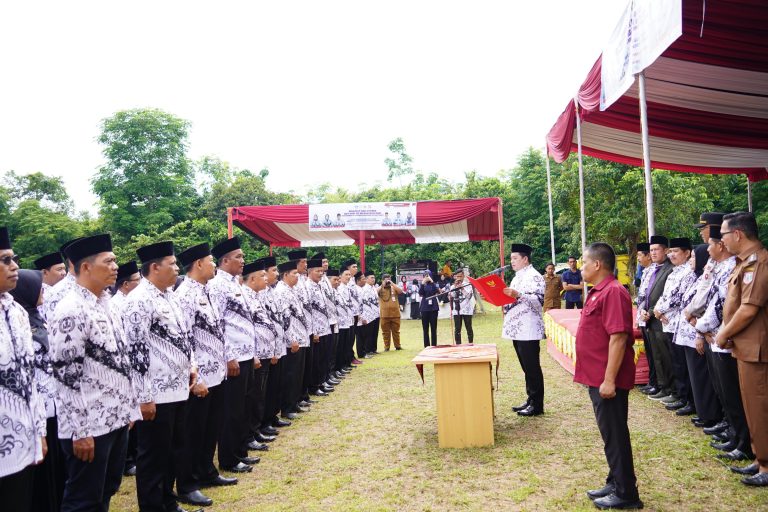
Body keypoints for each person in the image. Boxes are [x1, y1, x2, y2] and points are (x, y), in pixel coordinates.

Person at [51, 234, 139, 512]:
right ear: (86, 267)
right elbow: (66, 377)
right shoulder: (70, 309)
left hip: (115, 417)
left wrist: (129, 408)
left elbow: (121, 358)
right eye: (109, 261)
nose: (116, 266)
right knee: (83, 500)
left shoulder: (106, 302)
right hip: (89, 424)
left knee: (106, 489)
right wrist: (79, 431)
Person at [124, 240, 198, 511]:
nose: (178, 268)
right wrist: (144, 396)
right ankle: (153, 506)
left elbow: (184, 335)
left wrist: (192, 365)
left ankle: (168, 501)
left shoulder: (170, 296)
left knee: (173, 450)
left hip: (178, 387)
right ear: (155, 267)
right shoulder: (139, 300)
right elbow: (136, 351)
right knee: (153, 456)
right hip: (155, 393)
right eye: (173, 264)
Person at [575, 242, 643, 510]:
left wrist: (609, 380)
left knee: (615, 434)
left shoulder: (613, 291)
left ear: (597, 264)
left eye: (584, 262)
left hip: (607, 377)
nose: (581, 267)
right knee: (610, 433)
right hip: (597, 375)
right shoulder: (599, 291)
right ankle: (615, 481)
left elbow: (618, 338)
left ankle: (627, 493)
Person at [175, 243, 235, 507]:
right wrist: (195, 377)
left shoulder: (207, 290)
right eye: (211, 261)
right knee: (193, 432)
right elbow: (185, 338)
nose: (214, 266)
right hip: (199, 376)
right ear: (198, 264)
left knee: (211, 427)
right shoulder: (185, 295)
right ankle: (187, 484)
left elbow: (218, 329)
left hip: (216, 371)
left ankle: (207, 471)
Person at [715, 211, 768, 486]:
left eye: (723, 235)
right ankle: (760, 460)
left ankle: (766, 465)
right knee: (752, 407)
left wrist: (723, 333)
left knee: (760, 408)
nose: (722, 240)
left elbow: (749, 309)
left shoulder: (759, 262)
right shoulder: (744, 263)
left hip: (757, 349)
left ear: (737, 234)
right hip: (746, 347)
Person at [695, 225, 752, 462]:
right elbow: (709, 298)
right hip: (716, 335)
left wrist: (703, 327)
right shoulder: (725, 266)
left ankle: (743, 441)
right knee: (725, 393)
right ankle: (735, 434)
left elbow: (722, 304)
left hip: (726, 337)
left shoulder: (736, 265)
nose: (708, 248)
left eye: (712, 243)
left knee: (734, 395)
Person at [10, 269, 65, 512]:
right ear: (27, 291)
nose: (43, 291)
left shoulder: (35, 317)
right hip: (37, 409)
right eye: (38, 287)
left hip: (53, 407)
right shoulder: (19, 321)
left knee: (57, 472)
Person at [0, 227, 47, 512]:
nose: (15, 266)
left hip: (21, 439)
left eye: (14, 259)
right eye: (5, 260)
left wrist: (38, 432)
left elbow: (30, 379)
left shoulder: (16, 311)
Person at [207, 237, 260, 473]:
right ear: (225, 260)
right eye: (238, 257)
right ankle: (229, 458)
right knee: (232, 410)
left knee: (243, 407)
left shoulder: (235, 283)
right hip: (234, 357)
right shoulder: (218, 285)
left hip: (246, 354)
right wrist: (228, 356)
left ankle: (240, 451)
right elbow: (217, 324)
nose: (243, 260)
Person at [502, 243, 546, 417]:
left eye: (515, 258)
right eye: (511, 258)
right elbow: (511, 299)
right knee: (526, 367)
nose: (512, 261)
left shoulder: (535, 276)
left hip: (528, 328)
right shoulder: (517, 277)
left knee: (532, 367)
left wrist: (518, 295)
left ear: (525, 259)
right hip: (517, 328)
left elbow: (539, 301)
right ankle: (530, 399)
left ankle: (537, 405)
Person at [653, 238, 693, 413]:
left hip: (680, 324)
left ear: (687, 253)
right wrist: (658, 309)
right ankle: (681, 396)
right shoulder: (673, 272)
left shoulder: (689, 272)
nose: (672, 255)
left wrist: (659, 310)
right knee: (675, 362)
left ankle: (687, 398)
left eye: (676, 251)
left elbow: (677, 297)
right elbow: (664, 295)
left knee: (682, 364)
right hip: (668, 324)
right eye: (671, 251)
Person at [639, 236, 677, 401]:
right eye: (651, 250)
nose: (653, 253)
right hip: (650, 318)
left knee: (666, 356)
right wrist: (643, 310)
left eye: (656, 250)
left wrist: (651, 311)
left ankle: (672, 389)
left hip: (662, 317)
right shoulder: (654, 269)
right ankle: (662, 386)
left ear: (665, 251)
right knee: (656, 355)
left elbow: (665, 295)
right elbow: (646, 293)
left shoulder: (670, 269)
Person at [378, 273, 403, 350]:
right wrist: (383, 284)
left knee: (396, 331)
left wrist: (392, 283)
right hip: (384, 314)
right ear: (382, 280)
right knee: (385, 332)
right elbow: (375, 292)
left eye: (389, 279)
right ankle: (386, 347)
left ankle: (397, 346)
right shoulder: (380, 288)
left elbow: (400, 291)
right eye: (386, 280)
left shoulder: (394, 287)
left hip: (395, 314)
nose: (388, 281)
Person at [450, 269, 475, 343]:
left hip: (467, 310)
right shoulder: (453, 286)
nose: (459, 278)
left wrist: (462, 288)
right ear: (455, 277)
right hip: (457, 310)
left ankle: (470, 343)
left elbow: (469, 296)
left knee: (469, 327)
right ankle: (458, 345)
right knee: (457, 329)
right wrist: (455, 287)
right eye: (457, 276)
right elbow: (452, 296)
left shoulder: (468, 285)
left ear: (463, 276)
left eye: (460, 276)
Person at [419, 271, 440, 347]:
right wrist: (422, 283)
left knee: (434, 328)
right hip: (424, 308)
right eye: (425, 276)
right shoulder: (422, 284)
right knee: (425, 329)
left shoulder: (433, 284)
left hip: (433, 308)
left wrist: (432, 281)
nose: (427, 277)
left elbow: (437, 291)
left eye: (428, 275)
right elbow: (420, 293)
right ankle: (426, 346)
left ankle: (434, 345)